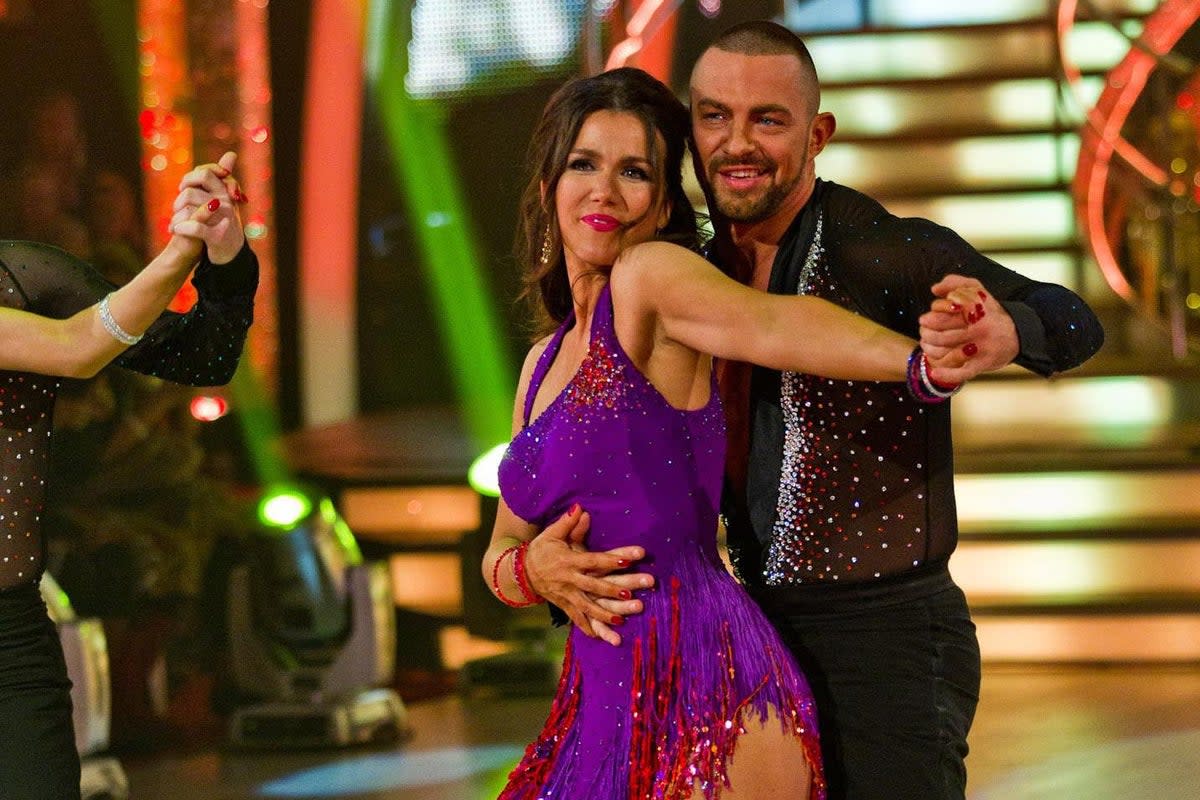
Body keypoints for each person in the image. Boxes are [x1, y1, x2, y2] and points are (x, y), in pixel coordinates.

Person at [532, 20, 1106, 800]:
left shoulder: (878, 249)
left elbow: (1073, 318)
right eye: (714, 117)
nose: (737, 143)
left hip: (885, 641)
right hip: (746, 629)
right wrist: (531, 560)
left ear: (817, 132)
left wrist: (1008, 329)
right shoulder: (683, 275)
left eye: (767, 119)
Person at [483, 67, 985, 800]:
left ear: (661, 205)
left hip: (708, 683)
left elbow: (775, 326)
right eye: (583, 164)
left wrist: (919, 364)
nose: (603, 191)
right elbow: (501, 547)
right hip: (597, 699)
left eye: (634, 172)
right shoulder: (539, 363)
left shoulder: (649, 280)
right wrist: (535, 573)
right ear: (549, 185)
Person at [0, 151, 256, 800]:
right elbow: (80, 347)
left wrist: (220, 253)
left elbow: (204, 355)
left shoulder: (24, 277)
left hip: (11, 641)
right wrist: (178, 251)